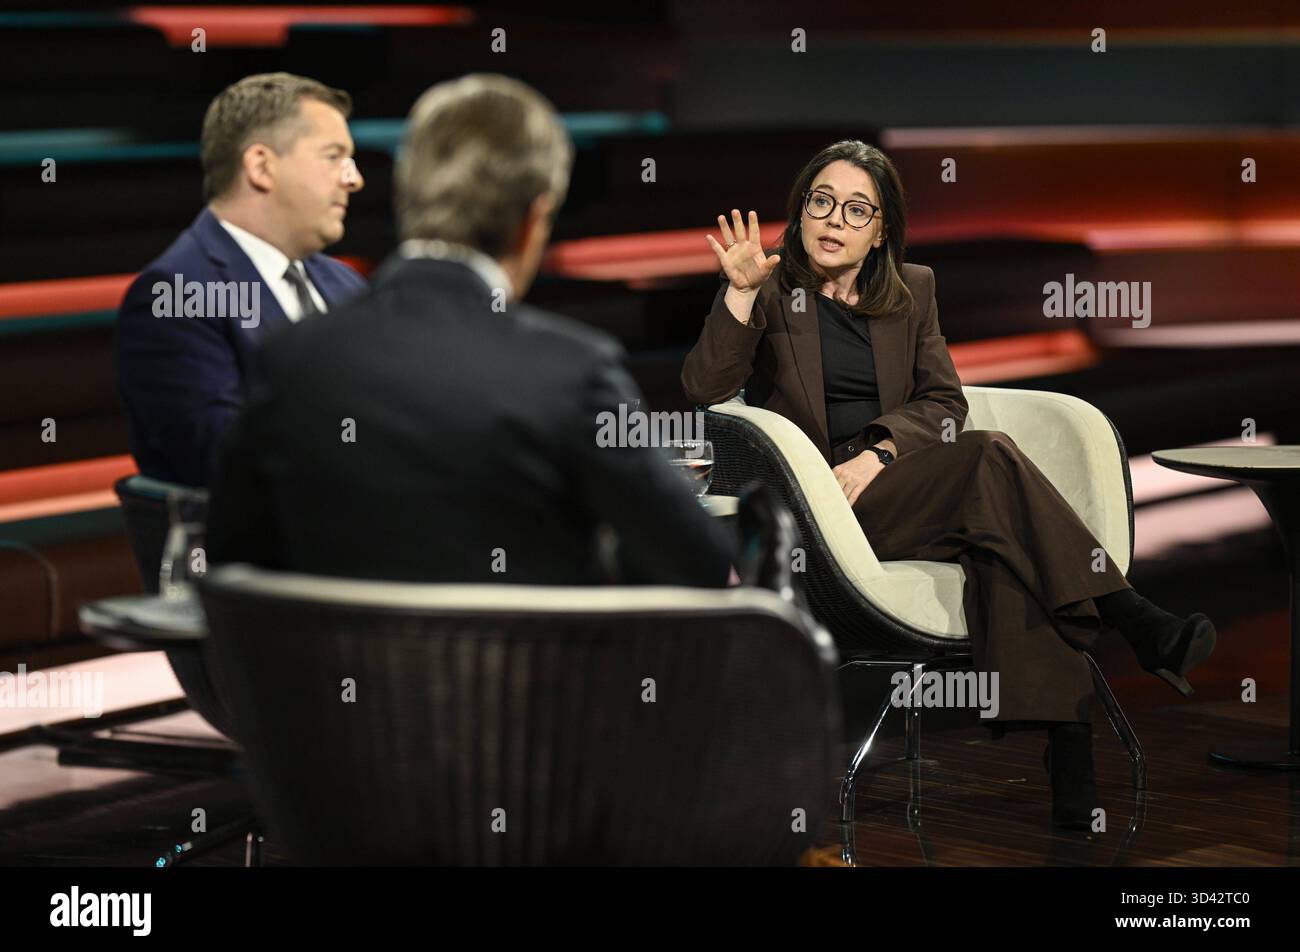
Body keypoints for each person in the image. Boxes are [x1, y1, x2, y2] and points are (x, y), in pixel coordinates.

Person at [681, 139, 1217, 827]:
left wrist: (877, 454)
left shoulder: (914, 291)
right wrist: (738, 293)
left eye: (855, 209)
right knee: (989, 458)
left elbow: (943, 405)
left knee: (1001, 540)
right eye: (821, 202)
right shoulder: (768, 287)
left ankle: (1070, 748)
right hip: (821, 508)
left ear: (880, 232)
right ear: (801, 208)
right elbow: (705, 388)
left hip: (898, 484)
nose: (834, 220)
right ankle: (1125, 613)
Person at [205, 74, 733, 589]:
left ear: (407, 199)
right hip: (533, 676)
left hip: (326, 677)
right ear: (534, 219)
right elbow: (698, 563)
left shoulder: (290, 356)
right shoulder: (571, 371)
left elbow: (235, 561)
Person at [115, 72, 368, 487]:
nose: (353, 178)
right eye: (333, 156)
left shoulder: (346, 284)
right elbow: (227, 462)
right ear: (262, 167)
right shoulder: (181, 293)